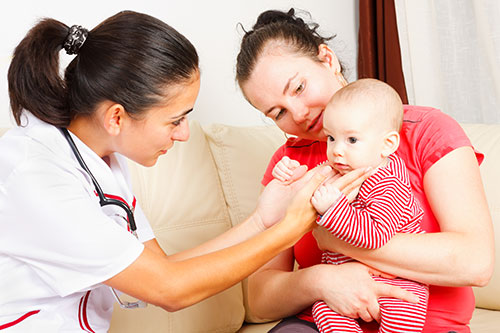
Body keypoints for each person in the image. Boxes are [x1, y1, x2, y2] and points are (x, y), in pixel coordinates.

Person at [0, 10, 377, 331]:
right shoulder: (35, 173)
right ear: (116, 117)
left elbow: (158, 269)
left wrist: (262, 221)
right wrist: (291, 227)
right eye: (176, 120)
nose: (183, 135)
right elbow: (168, 289)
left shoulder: (103, 163)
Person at [235, 8, 494, 333]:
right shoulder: (288, 164)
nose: (298, 114)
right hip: (320, 325)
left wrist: (335, 238)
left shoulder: (426, 131)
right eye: (278, 112)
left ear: (327, 59)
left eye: (299, 88)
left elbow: (476, 261)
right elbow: (259, 299)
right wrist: (322, 280)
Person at [272, 78, 429, 333]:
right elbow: (309, 186)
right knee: (322, 309)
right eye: (332, 138)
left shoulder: (389, 182)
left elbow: (375, 236)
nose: (336, 151)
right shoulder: (344, 168)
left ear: (387, 145)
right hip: (344, 279)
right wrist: (292, 176)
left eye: (352, 140)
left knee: (404, 310)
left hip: (398, 280)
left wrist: (333, 209)